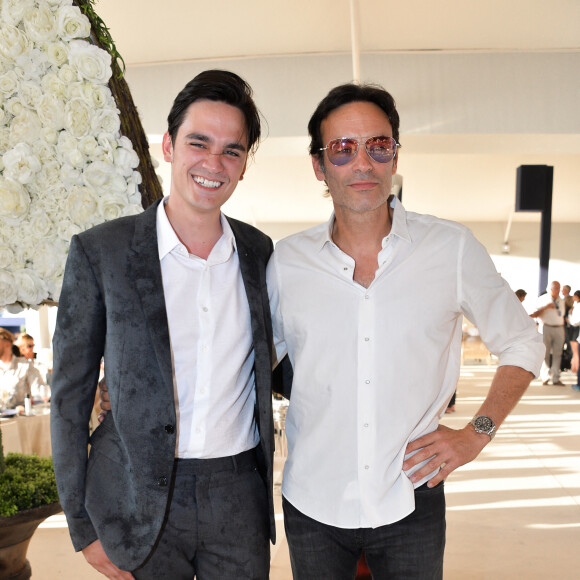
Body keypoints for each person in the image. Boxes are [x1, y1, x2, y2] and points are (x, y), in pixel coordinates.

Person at [267, 81, 545, 579]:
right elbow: (247, 360)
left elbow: (523, 341)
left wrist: (475, 435)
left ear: (395, 156)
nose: (363, 164)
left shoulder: (450, 248)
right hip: (313, 501)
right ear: (319, 165)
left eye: (378, 145)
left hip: (412, 498)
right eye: (343, 149)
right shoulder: (287, 262)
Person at [51, 70, 277, 580]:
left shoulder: (261, 254)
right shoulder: (101, 252)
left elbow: (280, 362)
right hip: (135, 492)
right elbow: (68, 394)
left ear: (244, 165)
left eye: (232, 151)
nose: (213, 163)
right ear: (169, 145)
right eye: (199, 143)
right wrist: (82, 524)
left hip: (237, 495)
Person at [0, 327, 46, 410]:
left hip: (21, 420)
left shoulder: (25, 366)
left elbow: (40, 397)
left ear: (7, 343)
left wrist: (24, 407)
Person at [530, 281, 566, 385]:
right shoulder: (543, 299)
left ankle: (555, 377)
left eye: (559, 288)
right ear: (551, 289)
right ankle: (545, 377)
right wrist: (546, 307)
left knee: (557, 354)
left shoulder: (561, 300)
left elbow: (561, 315)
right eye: (556, 288)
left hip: (559, 328)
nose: (558, 291)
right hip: (546, 327)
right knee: (545, 353)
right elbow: (534, 314)